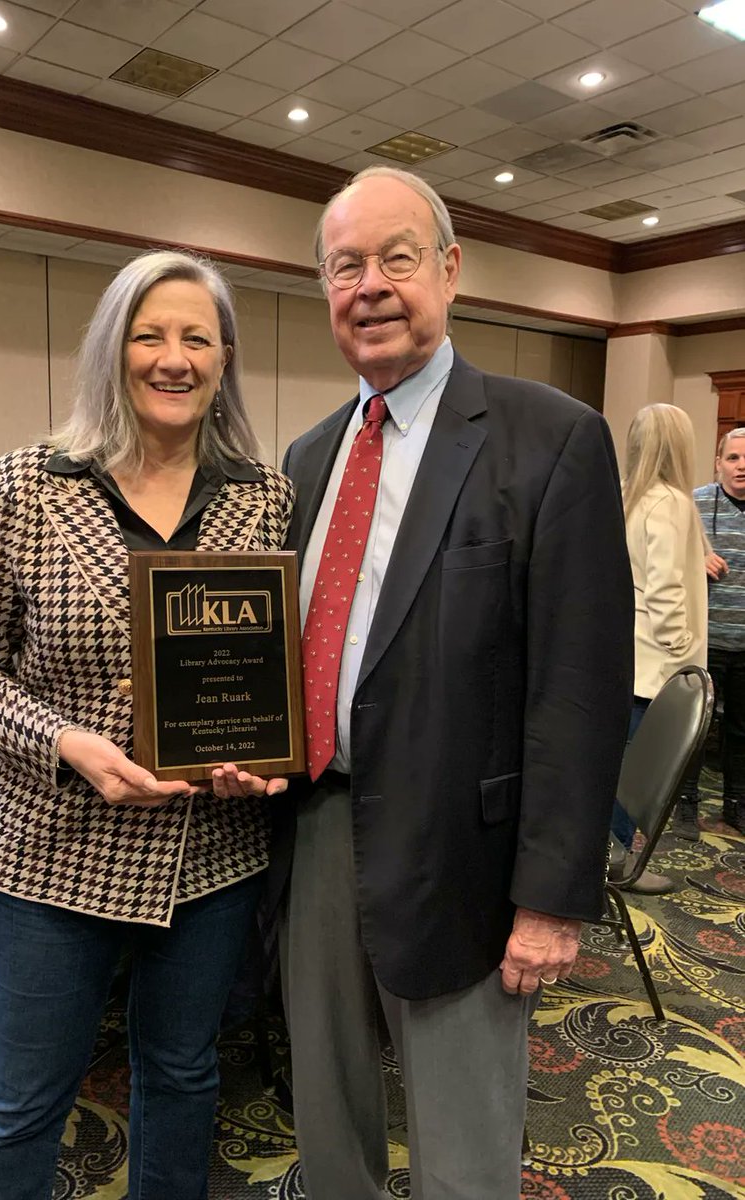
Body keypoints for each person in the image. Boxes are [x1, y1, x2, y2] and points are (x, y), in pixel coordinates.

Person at [274, 165, 633, 1200]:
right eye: (346, 267)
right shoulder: (307, 458)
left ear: (451, 270)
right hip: (313, 831)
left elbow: (580, 691)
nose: (371, 286)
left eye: (397, 258)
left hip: (464, 861)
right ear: (325, 290)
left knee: (463, 1148)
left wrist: (551, 900)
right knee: (327, 1120)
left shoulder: (551, 438)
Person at [0, 249, 294, 1200]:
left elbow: (278, 671)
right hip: (51, 852)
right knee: (23, 1103)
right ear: (111, 350)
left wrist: (267, 756)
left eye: (197, 339)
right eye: (148, 335)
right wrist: (65, 744)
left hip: (210, 855)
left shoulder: (264, 495)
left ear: (224, 358)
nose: (173, 358)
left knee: (184, 1078)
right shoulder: (27, 485)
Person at [609, 404, 707, 873]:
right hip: (657, 661)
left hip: (625, 650)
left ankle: (606, 855)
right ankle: (616, 859)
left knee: (617, 764)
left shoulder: (625, 493)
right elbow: (666, 587)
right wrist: (683, 646)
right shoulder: (670, 501)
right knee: (639, 773)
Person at [691, 427, 745, 835]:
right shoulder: (694, 503)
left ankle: (735, 808)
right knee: (694, 729)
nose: (741, 466)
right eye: (733, 458)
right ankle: (684, 807)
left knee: (740, 732)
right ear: (718, 464)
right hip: (703, 638)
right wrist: (697, 557)